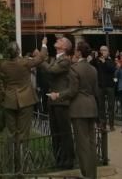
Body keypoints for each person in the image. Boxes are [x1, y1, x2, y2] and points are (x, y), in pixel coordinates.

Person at [0, 37, 48, 173]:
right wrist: (43, 44)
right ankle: (23, 166)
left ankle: (9, 166)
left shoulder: (3, 65)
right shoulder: (25, 63)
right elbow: (42, 57)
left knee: (10, 134)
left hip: (9, 100)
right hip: (26, 100)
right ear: (18, 51)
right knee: (23, 134)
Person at [39, 36, 77, 171]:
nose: (58, 40)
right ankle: (58, 159)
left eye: (61, 40)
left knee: (64, 133)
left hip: (61, 101)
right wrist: (43, 51)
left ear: (65, 47)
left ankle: (68, 161)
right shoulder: (56, 59)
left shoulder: (65, 60)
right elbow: (48, 71)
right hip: (52, 100)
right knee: (55, 133)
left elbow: (50, 71)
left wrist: (39, 57)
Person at [70, 40, 100, 179]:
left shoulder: (75, 68)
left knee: (82, 144)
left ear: (79, 52)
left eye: (76, 49)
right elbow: (95, 90)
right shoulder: (93, 69)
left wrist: (58, 95)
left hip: (79, 108)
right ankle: (93, 173)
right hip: (91, 106)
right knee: (91, 143)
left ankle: (87, 174)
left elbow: (72, 91)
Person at [91, 44, 117, 132]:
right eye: (101, 50)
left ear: (108, 52)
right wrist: (93, 57)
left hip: (110, 86)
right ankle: (103, 124)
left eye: (104, 50)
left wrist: (104, 62)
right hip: (100, 86)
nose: (102, 52)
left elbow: (112, 69)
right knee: (101, 106)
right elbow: (90, 65)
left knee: (111, 106)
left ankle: (112, 124)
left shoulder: (110, 61)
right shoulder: (97, 60)